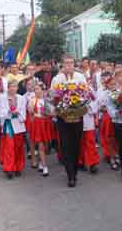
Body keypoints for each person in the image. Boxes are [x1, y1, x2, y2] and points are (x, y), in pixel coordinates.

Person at [51, 54, 87, 187]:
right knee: (66, 145)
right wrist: (58, 108)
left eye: (71, 63)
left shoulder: (80, 77)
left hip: (77, 116)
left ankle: (75, 170)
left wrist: (80, 106)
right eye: (66, 63)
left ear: (74, 64)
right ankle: (70, 175)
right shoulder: (57, 79)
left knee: (76, 144)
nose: (69, 66)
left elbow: (86, 94)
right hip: (63, 117)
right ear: (62, 65)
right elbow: (52, 96)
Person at [0, 80, 26, 179]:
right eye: (11, 86)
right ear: (8, 87)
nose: (13, 88)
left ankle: (17, 167)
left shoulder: (21, 98)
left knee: (18, 147)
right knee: (9, 147)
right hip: (8, 124)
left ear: (17, 88)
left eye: (15, 86)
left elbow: (23, 112)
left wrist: (18, 114)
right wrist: (8, 111)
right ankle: (9, 168)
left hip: (18, 124)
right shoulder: (2, 98)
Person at [27, 82, 51, 176]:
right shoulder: (32, 100)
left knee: (45, 145)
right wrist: (31, 109)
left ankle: (41, 161)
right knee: (40, 145)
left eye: (38, 89)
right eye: (35, 89)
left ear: (42, 90)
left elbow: (51, 112)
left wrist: (49, 112)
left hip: (45, 123)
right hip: (37, 123)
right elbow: (31, 112)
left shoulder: (46, 100)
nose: (36, 91)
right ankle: (45, 166)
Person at [97, 72, 119, 170]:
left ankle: (116, 154)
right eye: (111, 84)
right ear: (107, 85)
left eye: (114, 84)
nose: (113, 86)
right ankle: (111, 159)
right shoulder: (104, 94)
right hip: (108, 118)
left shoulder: (119, 92)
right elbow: (100, 107)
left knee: (117, 138)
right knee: (109, 138)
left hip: (118, 117)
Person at [78, 96, 99, 174]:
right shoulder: (73, 91)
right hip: (77, 122)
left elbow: (95, 107)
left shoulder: (89, 92)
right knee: (79, 143)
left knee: (90, 143)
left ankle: (92, 163)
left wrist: (87, 105)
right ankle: (80, 162)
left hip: (88, 122)